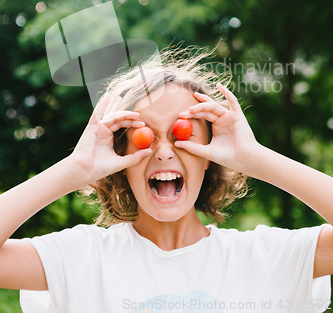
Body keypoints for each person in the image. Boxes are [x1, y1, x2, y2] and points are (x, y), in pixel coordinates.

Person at [0, 45, 332, 313]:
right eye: (144, 136)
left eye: (181, 133)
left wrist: (253, 157)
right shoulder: (81, 259)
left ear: (209, 157)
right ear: (121, 161)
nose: (163, 152)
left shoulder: (266, 259)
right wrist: (76, 169)